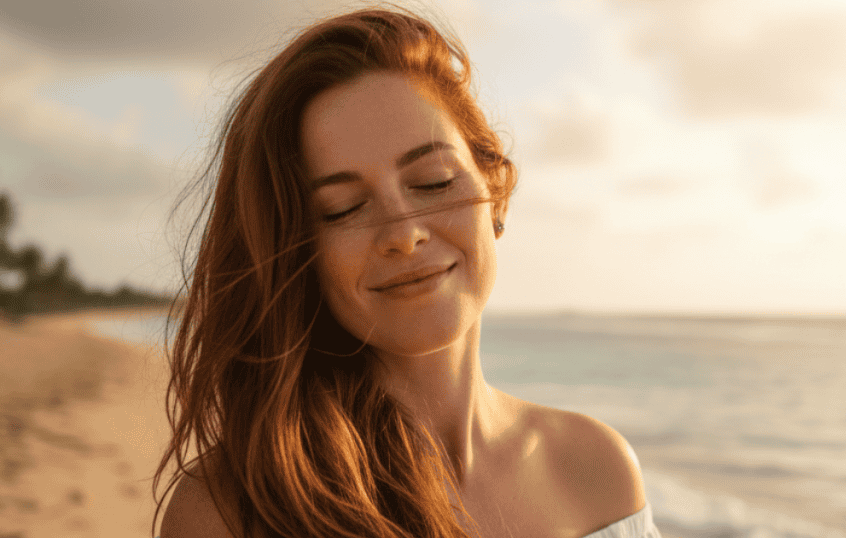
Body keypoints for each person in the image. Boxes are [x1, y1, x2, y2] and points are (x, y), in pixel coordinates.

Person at [155, 6, 661, 538]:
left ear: (496, 192)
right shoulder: (230, 513)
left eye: (435, 180)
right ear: (297, 252)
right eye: (343, 208)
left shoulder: (597, 470)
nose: (403, 232)